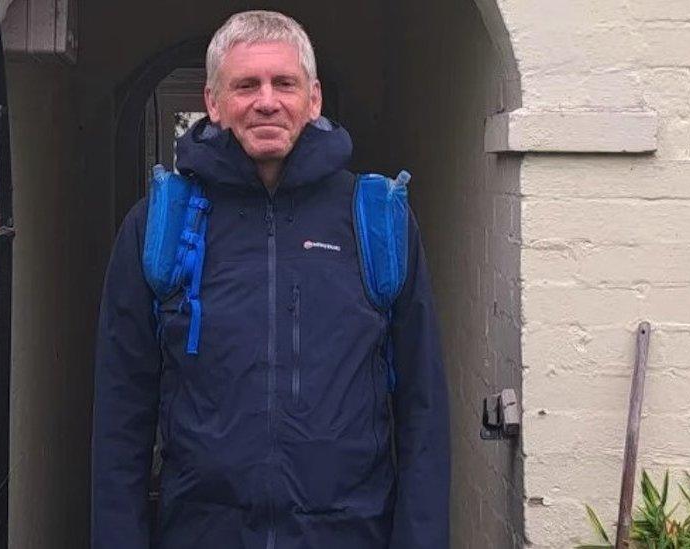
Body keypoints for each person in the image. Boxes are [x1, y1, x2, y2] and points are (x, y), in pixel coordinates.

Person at [91, 10, 450, 549]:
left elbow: (423, 409)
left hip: (348, 533)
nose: (266, 100)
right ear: (213, 102)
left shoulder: (376, 220)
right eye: (245, 85)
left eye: (285, 83)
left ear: (314, 97)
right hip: (203, 532)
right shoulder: (160, 225)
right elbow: (121, 416)